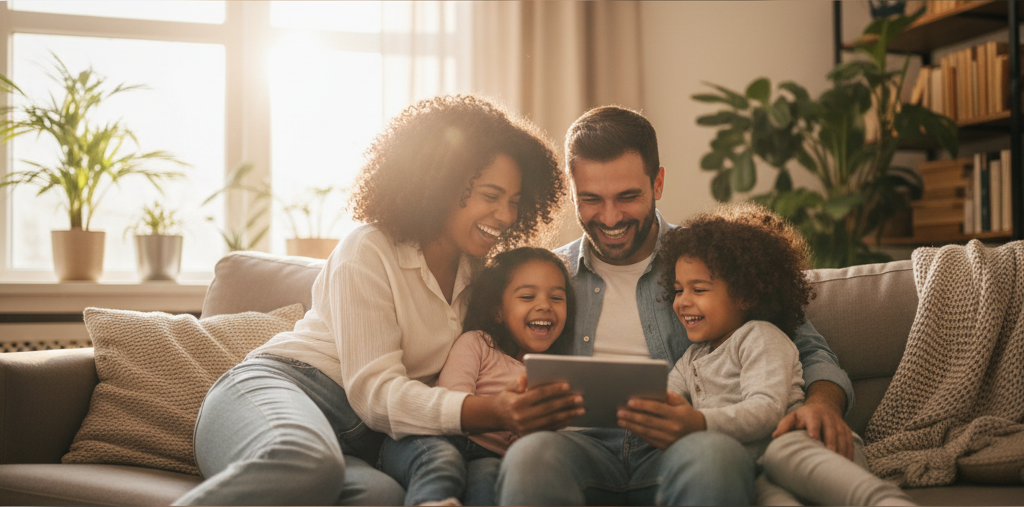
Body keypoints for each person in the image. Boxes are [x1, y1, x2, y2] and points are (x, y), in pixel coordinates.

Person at [173, 95, 583, 506]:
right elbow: (375, 392)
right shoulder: (368, 249)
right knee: (304, 460)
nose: (507, 216)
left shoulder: (481, 278)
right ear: (442, 183)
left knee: (381, 497)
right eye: (491, 196)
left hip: (362, 440)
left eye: (513, 202)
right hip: (282, 389)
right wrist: (493, 411)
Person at [496, 106, 857, 506]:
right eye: (592, 199)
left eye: (628, 196)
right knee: (528, 458)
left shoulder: (711, 260)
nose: (611, 216)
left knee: (716, 456)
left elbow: (809, 348)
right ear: (572, 190)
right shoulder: (544, 275)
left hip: (683, 444)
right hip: (578, 448)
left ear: (658, 182)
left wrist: (824, 404)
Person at [658, 203, 914, 506]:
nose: (682, 302)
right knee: (768, 495)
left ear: (747, 294)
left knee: (782, 454)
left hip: (805, 440)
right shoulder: (691, 358)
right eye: (677, 290)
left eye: (698, 290)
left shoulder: (760, 336)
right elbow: (665, 395)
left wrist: (698, 421)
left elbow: (767, 410)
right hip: (761, 468)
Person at [379, 247, 577, 506]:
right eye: (528, 296)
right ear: (498, 311)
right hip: (434, 439)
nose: (544, 306)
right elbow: (452, 401)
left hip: (490, 457)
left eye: (556, 298)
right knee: (443, 462)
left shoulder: (556, 373)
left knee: (488, 479)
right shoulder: (479, 344)